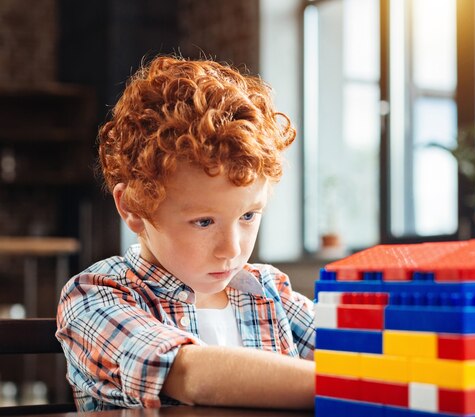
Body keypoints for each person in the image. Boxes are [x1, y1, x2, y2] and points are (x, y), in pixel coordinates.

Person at [56, 55, 316, 412]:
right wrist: (353, 386)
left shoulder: (271, 293)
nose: (231, 249)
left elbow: (361, 350)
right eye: (204, 222)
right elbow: (190, 374)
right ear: (132, 207)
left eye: (248, 215)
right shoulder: (95, 296)